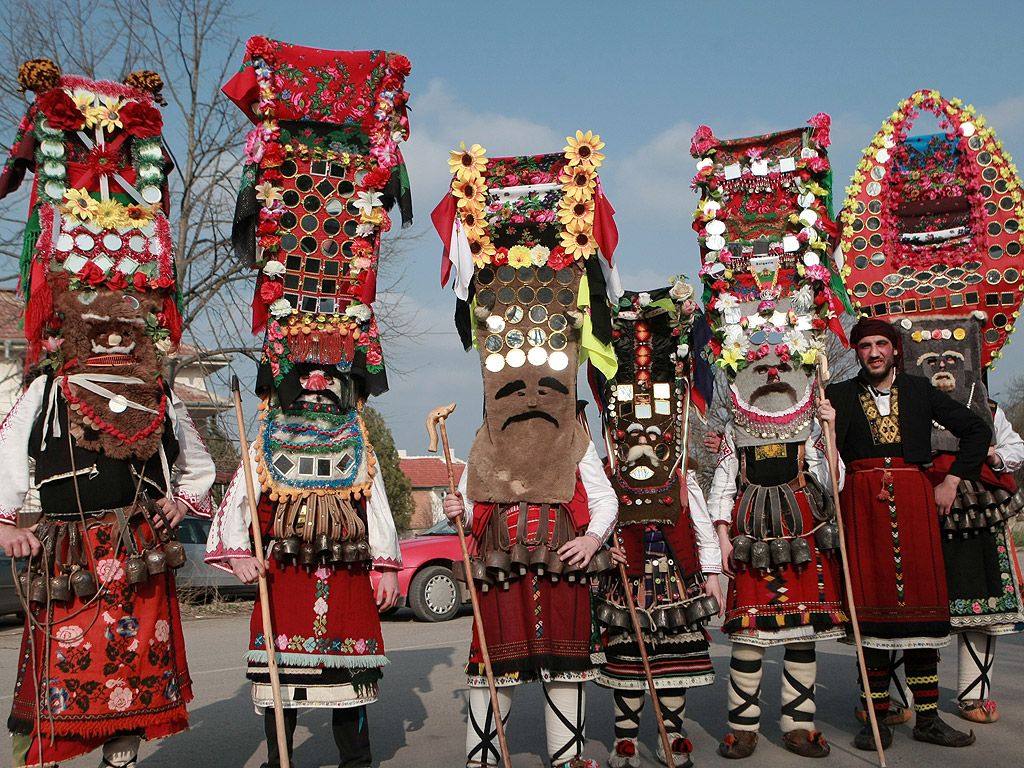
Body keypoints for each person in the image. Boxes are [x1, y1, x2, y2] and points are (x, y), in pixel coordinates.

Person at [0, 59, 216, 768]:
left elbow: (199, 465)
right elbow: (7, 456)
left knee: (134, 684)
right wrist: (9, 524)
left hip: (137, 550)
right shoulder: (48, 389)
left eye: (126, 324)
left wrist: (178, 507)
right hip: (64, 550)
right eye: (99, 323)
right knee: (65, 693)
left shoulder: (159, 396)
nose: (115, 333)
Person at [434, 134, 622, 768]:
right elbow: (464, 503)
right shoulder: (485, 440)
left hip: (564, 563)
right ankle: (483, 759)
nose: (530, 396)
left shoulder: (575, 437)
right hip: (500, 563)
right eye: (513, 385)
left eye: (544, 384)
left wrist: (594, 540)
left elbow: (603, 498)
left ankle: (565, 761)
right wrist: (459, 514)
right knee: (497, 671)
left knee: (565, 673)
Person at [207, 367, 400, 768]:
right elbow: (238, 501)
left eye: (327, 388)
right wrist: (240, 551)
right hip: (284, 574)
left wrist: (389, 569)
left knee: (349, 679)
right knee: (283, 679)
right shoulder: (264, 443)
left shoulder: (359, 444)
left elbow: (376, 506)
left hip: (346, 573)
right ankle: (280, 760)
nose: (316, 393)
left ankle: (356, 763)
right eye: (306, 388)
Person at [823, 317, 991, 750]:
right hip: (861, 503)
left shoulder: (920, 390)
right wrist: (822, 424)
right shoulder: (837, 395)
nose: (874, 352)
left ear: (895, 349)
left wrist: (953, 479)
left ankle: (929, 719)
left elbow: (976, 428)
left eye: (881, 344)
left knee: (922, 609)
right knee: (872, 610)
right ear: (856, 351)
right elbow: (812, 453)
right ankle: (876, 718)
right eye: (865, 346)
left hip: (915, 501)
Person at [591, 282, 723, 768]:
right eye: (632, 431)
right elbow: (596, 518)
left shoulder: (682, 476)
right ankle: (626, 741)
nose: (641, 438)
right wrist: (606, 550)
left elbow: (704, 527)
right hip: (626, 579)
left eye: (652, 432)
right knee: (626, 660)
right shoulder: (607, 474)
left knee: (674, 662)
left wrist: (711, 572)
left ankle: (672, 737)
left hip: (673, 577)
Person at [707, 371, 846, 760]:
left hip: (801, 534)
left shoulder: (812, 426)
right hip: (751, 540)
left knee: (802, 635)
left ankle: (799, 726)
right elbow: (723, 486)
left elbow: (837, 481)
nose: (771, 375)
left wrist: (830, 432)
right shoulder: (735, 430)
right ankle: (743, 727)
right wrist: (722, 541)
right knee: (748, 635)